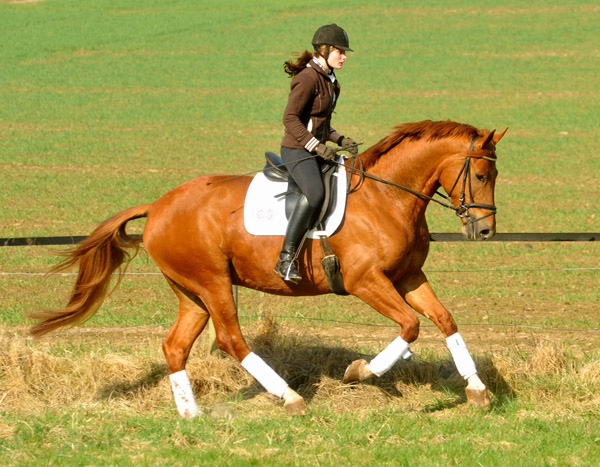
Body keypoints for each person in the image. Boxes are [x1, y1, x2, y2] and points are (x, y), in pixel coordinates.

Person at [274, 24, 358, 283]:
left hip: (315, 149)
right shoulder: (308, 78)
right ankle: (286, 258)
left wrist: (340, 138)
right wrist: (317, 147)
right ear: (323, 51)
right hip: (296, 150)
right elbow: (290, 119)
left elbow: (320, 123)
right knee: (315, 193)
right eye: (339, 51)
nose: (344, 56)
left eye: (344, 52)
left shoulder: (331, 81)